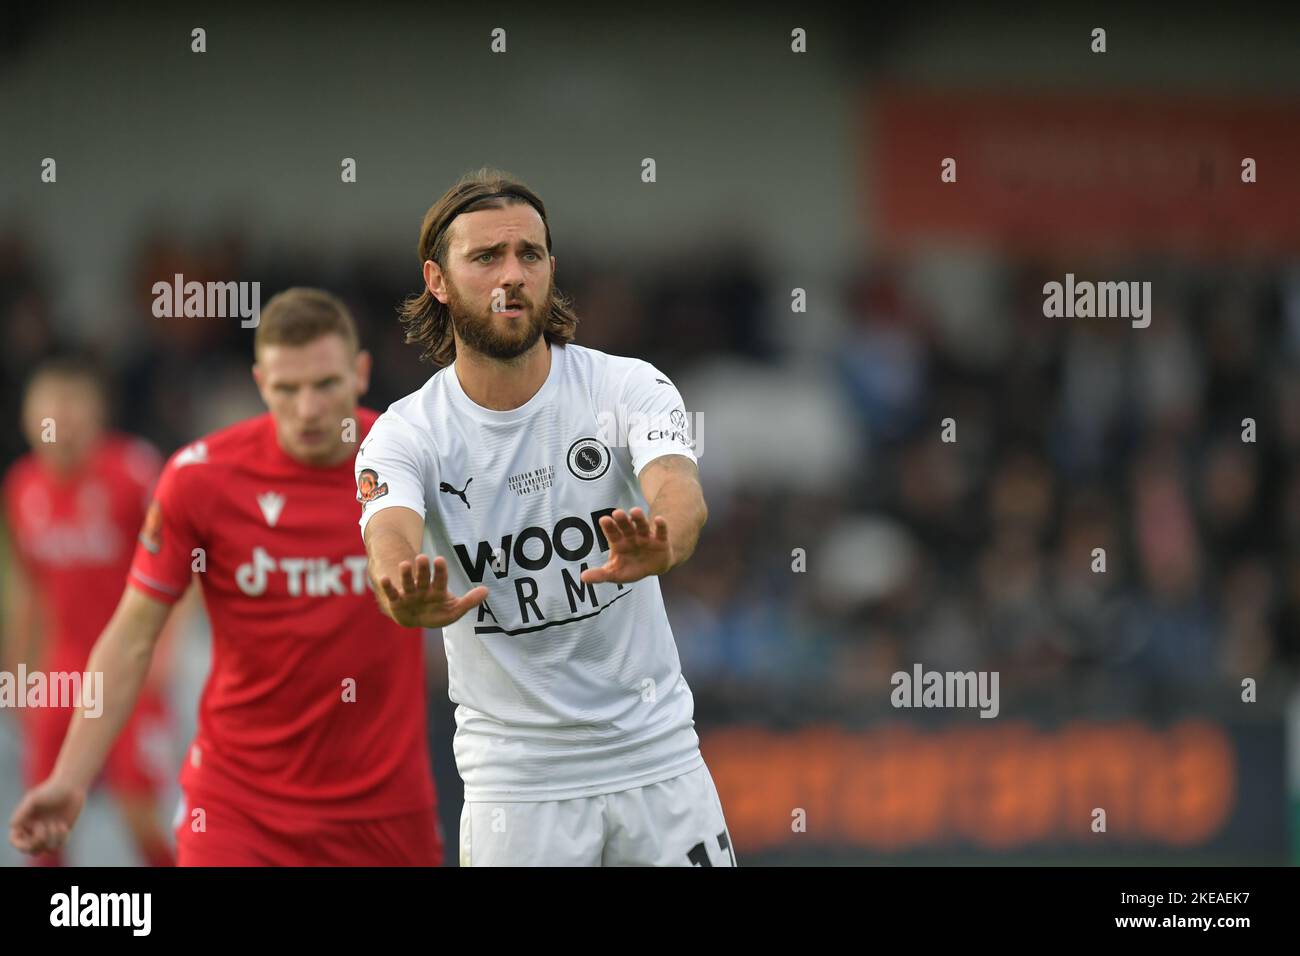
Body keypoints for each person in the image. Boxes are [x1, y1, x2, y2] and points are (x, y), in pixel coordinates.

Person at [357, 169, 735, 866]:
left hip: (656, 760)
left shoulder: (626, 386)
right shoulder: (404, 435)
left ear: (551, 271)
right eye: (486, 257)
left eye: (529, 256)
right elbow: (389, 541)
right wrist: (400, 588)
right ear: (437, 280)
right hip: (517, 789)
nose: (512, 276)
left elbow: (680, 492)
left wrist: (665, 540)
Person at [10, 289, 444, 866]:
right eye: (288, 389)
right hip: (236, 810)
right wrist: (72, 777)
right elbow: (132, 634)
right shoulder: (201, 478)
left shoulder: (410, 457)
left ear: (360, 372)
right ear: (261, 382)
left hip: (383, 812)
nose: (309, 409)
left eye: (326, 385)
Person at [2, 357, 175, 867]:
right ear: (28, 419)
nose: (60, 423)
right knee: (44, 813)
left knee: (137, 809)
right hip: (63, 667)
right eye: (48, 410)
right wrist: (18, 667)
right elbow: (27, 587)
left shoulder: (133, 471)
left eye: (72, 408)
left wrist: (164, 649)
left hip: (129, 664)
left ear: (97, 414)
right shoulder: (21, 485)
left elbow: (184, 563)